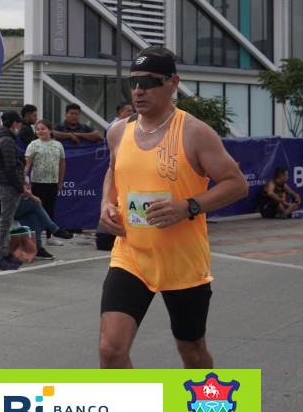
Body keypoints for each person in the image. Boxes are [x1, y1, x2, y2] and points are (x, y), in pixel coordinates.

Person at [98, 46, 247, 369]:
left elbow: (236, 184)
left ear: (173, 83)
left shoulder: (195, 133)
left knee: (192, 352)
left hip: (182, 261)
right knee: (111, 350)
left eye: (149, 82)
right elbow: (113, 169)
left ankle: (207, 403)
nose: (139, 90)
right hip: (131, 256)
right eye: (133, 82)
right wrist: (106, 203)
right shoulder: (118, 131)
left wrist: (187, 206)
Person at [0, 110, 29, 270]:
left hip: (5, 183)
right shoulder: (7, 140)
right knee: (5, 221)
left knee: (5, 220)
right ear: (14, 123)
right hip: (8, 185)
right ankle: (1, 256)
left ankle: (4, 253)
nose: (19, 126)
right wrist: (20, 187)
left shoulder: (1, 138)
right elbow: (10, 167)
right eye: (18, 122)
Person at [24, 119, 69, 246]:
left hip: (52, 182)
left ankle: (50, 237)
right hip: (37, 182)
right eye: (37, 129)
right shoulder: (33, 145)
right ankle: (35, 238)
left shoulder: (58, 145)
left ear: (50, 130)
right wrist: (23, 180)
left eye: (43, 129)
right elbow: (27, 165)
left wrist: (60, 181)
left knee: (50, 209)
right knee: (37, 210)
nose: (40, 131)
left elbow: (62, 164)